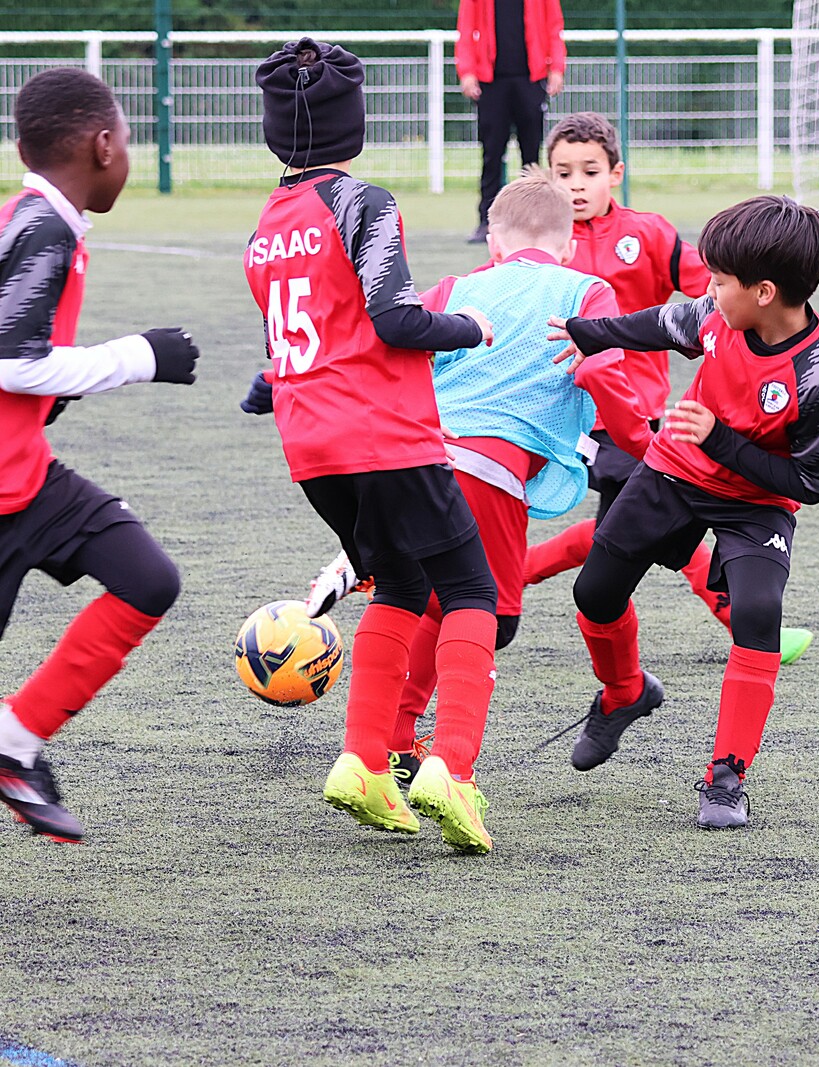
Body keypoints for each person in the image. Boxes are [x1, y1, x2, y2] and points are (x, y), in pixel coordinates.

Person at [303, 172, 656, 779]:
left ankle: (390, 739)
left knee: (426, 594)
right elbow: (604, 378)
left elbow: (386, 345)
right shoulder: (588, 291)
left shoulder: (457, 288)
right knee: (488, 614)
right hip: (489, 470)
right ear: (569, 245)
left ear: (493, 243)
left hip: (416, 459)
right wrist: (645, 446)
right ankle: (444, 763)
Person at [242, 38, 501, 854]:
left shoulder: (267, 224)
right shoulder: (363, 202)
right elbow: (395, 319)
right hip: (383, 432)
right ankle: (451, 766)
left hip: (310, 444)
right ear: (354, 124)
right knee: (472, 588)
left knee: (401, 581)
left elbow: (299, 337)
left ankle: (363, 763)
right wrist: (470, 327)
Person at [548, 195, 819, 830]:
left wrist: (721, 442)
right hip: (674, 471)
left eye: (719, 280)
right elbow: (664, 323)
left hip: (757, 503)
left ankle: (726, 779)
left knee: (759, 614)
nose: (708, 291)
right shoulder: (718, 317)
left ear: (764, 293)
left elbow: (810, 482)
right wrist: (587, 333)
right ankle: (625, 693)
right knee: (594, 594)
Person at [524, 112, 816, 665]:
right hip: (558, 411)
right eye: (563, 173)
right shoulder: (541, 243)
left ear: (616, 174)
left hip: (631, 414)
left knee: (627, 525)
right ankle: (486, 587)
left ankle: (501, 582)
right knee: (612, 521)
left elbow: (712, 288)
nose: (576, 185)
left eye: (589, 171)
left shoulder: (648, 233)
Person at [0, 68, 200, 843]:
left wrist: (58, 396)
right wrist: (139, 356)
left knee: (147, 578)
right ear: (104, 144)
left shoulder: (42, 222)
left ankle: (14, 741)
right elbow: (14, 359)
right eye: (130, 139)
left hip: (27, 477)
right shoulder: (42, 228)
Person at [456, 0, 566, 244]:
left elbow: (554, 28)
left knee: (532, 156)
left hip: (531, 79)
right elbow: (465, 30)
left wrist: (557, 68)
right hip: (491, 82)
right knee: (492, 154)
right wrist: (467, 72)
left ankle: (536, 219)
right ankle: (487, 221)